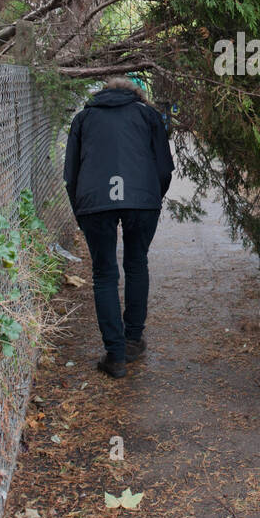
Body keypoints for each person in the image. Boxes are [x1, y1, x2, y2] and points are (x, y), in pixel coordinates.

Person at [63, 74, 174, 378]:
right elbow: (164, 167)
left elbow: (70, 173)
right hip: (142, 199)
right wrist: (152, 197)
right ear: (136, 94)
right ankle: (133, 340)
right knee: (137, 263)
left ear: (102, 94)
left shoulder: (84, 118)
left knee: (104, 274)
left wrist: (81, 211)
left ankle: (116, 356)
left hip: (94, 201)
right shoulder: (149, 116)